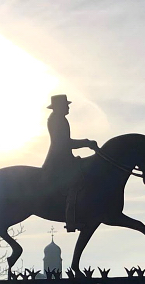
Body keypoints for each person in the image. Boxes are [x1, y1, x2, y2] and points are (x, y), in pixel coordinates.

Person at [42, 94, 98, 232]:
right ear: (59, 107)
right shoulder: (56, 120)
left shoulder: (60, 119)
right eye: (66, 105)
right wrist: (86, 143)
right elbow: (64, 143)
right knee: (76, 182)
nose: (68, 107)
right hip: (59, 161)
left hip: (65, 158)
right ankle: (71, 219)